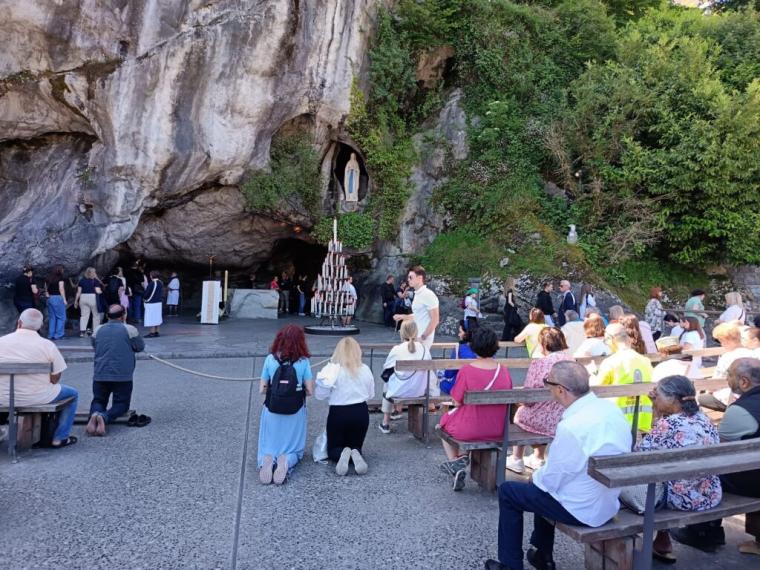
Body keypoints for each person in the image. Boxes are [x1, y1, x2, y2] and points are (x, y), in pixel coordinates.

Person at [484, 362, 631, 570]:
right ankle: (541, 554)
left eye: (548, 382)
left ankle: (511, 564)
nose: (547, 387)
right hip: (606, 502)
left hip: (582, 508)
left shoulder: (572, 426)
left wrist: (535, 478)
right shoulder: (610, 409)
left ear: (561, 390)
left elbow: (553, 477)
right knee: (541, 485)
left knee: (511, 491)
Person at [671, 358, 760, 555]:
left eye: (730, 374)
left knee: (704, 472)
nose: (727, 378)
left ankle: (704, 533)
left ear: (744, 382)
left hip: (753, 483)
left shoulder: (742, 410)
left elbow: (714, 452)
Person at [637, 375, 722, 562]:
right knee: (669, 474)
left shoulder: (668, 424)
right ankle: (662, 541)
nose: (654, 398)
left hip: (682, 500)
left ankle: (647, 543)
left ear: (672, 399)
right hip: (710, 495)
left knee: (648, 481)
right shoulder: (705, 419)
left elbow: (640, 455)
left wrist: (655, 412)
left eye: (657, 395)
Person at [438, 327, 513, 491]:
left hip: (471, 429)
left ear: (473, 346)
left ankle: (455, 463)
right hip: (497, 429)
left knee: (442, 425)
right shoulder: (504, 370)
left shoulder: (467, 370)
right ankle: (461, 459)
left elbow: (456, 401)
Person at [0, 309, 78, 448]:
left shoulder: (2, 341)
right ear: (40, 326)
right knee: (73, 394)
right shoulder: (47, 345)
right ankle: (60, 438)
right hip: (38, 397)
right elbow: (55, 379)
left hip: (3, 397)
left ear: (19, 322)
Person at [507, 328, 573, 474]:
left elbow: (528, 397)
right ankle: (538, 457)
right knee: (547, 409)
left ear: (543, 344)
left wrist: (521, 402)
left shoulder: (540, 363)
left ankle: (517, 458)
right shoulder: (572, 361)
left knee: (521, 412)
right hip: (562, 418)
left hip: (540, 420)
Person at [258, 324, 314, 485]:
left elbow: (262, 389)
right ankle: (287, 460)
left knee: (269, 444)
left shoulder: (270, 359)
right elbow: (310, 390)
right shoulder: (303, 361)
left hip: (272, 407)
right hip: (294, 409)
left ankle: (267, 459)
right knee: (294, 448)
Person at [314, 337, 374, 476]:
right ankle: (355, 453)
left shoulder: (332, 370)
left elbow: (320, 395)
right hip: (360, 412)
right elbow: (370, 395)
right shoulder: (365, 369)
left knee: (333, 448)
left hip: (338, 413)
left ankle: (341, 454)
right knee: (356, 445)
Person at [86, 304, 145, 436]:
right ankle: (104, 417)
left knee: (98, 400)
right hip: (122, 375)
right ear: (123, 315)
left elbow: (95, 345)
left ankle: (95, 414)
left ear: (107, 316)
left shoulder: (98, 330)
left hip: (100, 372)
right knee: (121, 403)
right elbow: (140, 347)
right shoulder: (129, 329)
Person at [595, 323, 654, 430]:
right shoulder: (645, 361)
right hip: (645, 423)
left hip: (619, 425)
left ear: (611, 339)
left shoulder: (610, 362)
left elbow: (596, 391)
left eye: (606, 341)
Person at [378, 320, 431, 434]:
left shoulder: (397, 349)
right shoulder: (424, 348)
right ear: (416, 332)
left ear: (402, 332)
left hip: (400, 391)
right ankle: (398, 411)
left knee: (387, 383)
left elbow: (386, 366)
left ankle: (385, 422)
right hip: (419, 390)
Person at [699, 322, 754, 411]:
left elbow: (715, 383)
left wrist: (708, 391)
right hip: (751, 396)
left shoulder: (727, 357)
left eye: (721, 341)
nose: (722, 344)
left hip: (731, 399)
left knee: (700, 398)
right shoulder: (752, 353)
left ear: (726, 340)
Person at [393, 266, 440, 351]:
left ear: (420, 278)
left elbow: (435, 319)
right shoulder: (418, 294)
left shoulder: (428, 294)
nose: (408, 280)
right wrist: (403, 316)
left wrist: (423, 337)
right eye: (408, 277)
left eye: (411, 277)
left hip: (421, 340)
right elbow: (418, 315)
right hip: (415, 337)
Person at [441, 320, 477, 395]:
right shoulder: (486, 349)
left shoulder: (459, 348)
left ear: (466, 334)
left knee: (441, 382)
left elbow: (449, 374)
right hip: (480, 387)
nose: (458, 334)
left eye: (460, 332)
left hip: (462, 389)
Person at [45, 265, 68, 340]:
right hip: (58, 298)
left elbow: (45, 288)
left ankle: (50, 334)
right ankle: (58, 334)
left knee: (52, 317)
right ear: (60, 270)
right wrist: (64, 299)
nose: (63, 271)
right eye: (62, 269)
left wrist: (47, 295)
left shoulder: (48, 278)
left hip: (50, 298)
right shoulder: (60, 278)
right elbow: (61, 288)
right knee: (61, 317)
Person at [143, 270, 163, 338]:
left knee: (151, 318)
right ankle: (157, 332)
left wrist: (144, 297)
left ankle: (152, 332)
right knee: (157, 317)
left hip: (152, 303)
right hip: (158, 302)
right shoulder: (160, 282)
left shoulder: (152, 283)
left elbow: (147, 293)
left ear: (151, 276)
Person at [502, 278, 522, 342]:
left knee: (508, 324)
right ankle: (506, 338)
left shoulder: (507, 290)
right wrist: (515, 307)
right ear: (511, 282)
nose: (515, 282)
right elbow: (510, 301)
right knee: (512, 323)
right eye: (514, 281)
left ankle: (505, 338)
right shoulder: (510, 291)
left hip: (507, 308)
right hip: (510, 309)